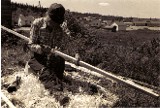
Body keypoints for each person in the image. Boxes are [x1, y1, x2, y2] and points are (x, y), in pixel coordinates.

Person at [28, 3, 71, 89]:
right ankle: (56, 91)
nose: (54, 25)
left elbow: (68, 43)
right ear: (47, 15)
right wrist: (42, 49)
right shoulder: (37, 23)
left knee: (58, 75)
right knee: (46, 73)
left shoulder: (61, 27)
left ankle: (56, 81)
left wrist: (74, 53)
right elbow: (31, 45)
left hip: (54, 58)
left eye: (57, 23)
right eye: (52, 21)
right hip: (38, 56)